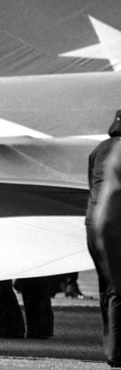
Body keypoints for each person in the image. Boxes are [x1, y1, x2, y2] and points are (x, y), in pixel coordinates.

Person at [88, 109, 121, 366]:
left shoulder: (99, 150)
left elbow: (93, 185)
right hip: (116, 222)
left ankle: (111, 346)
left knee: (107, 288)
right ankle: (116, 353)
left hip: (94, 222)